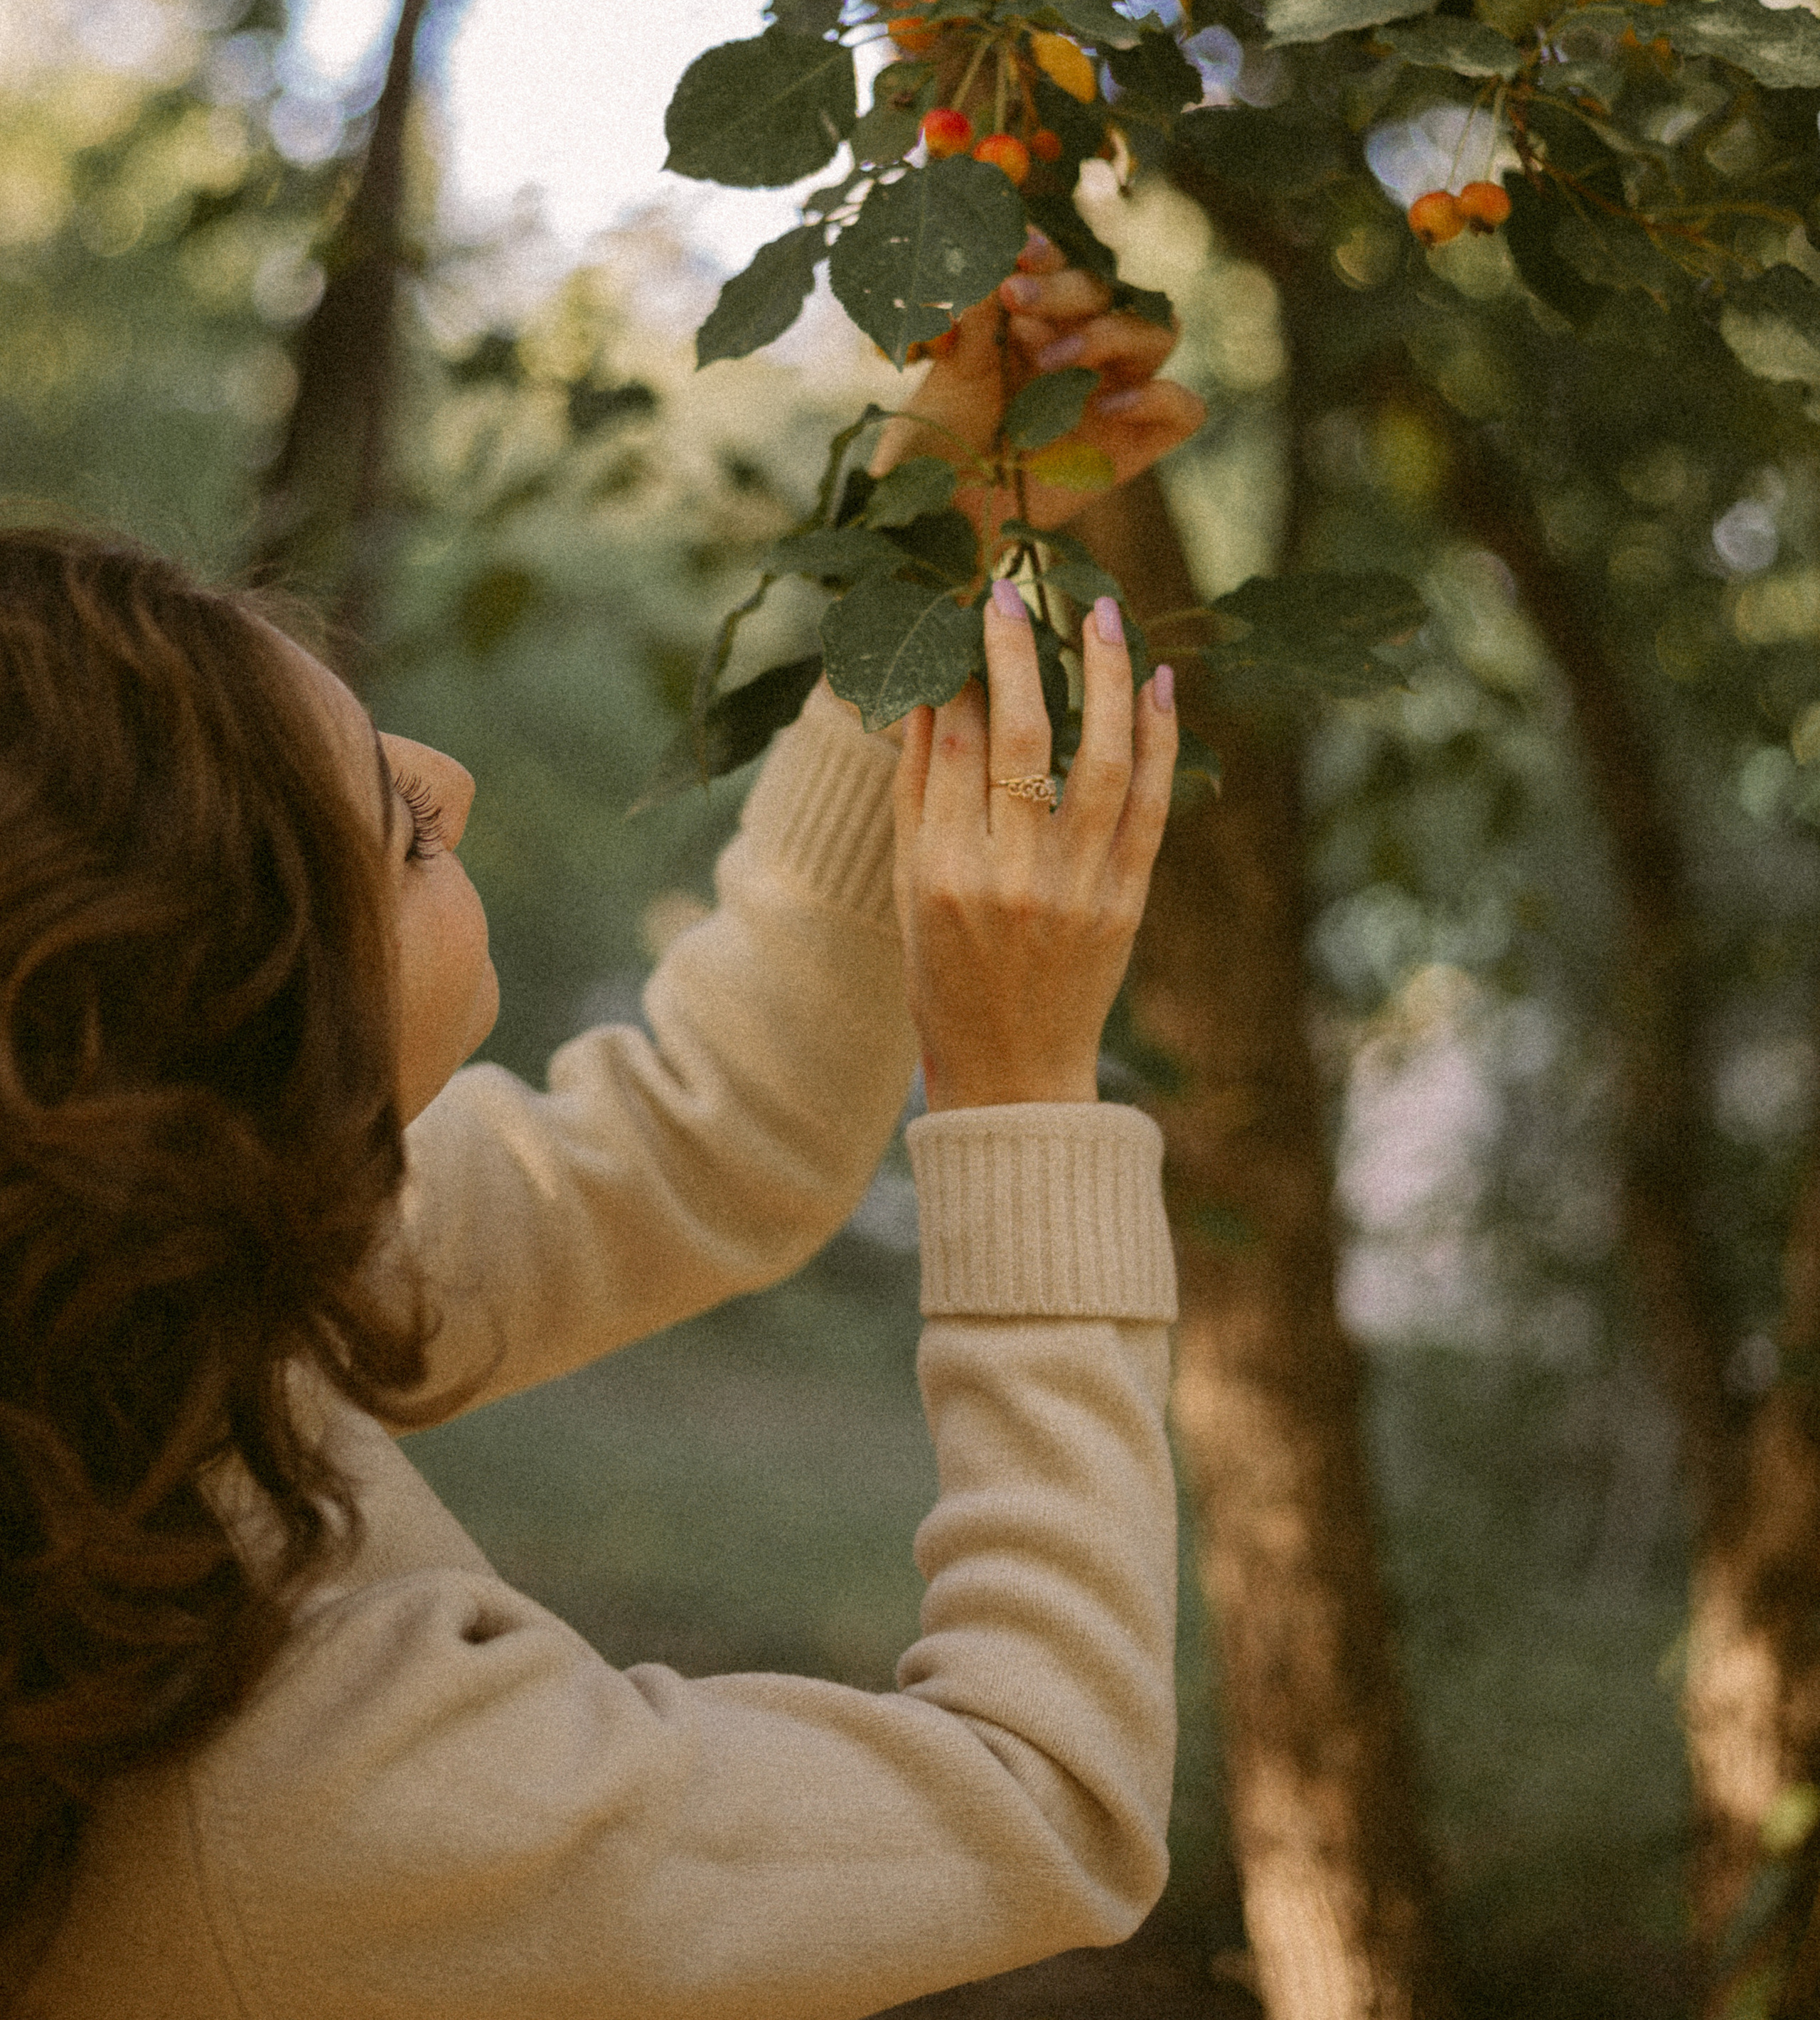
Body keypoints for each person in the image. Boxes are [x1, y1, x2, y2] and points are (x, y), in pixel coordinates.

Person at [1, 238, 1206, 2019]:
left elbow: (712, 1139)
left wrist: (927, 535)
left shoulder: (119, 1310)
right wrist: (1022, 1090)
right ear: (232, 1040)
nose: (455, 780)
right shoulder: (297, 1791)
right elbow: (1043, 1798)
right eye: (399, 827)